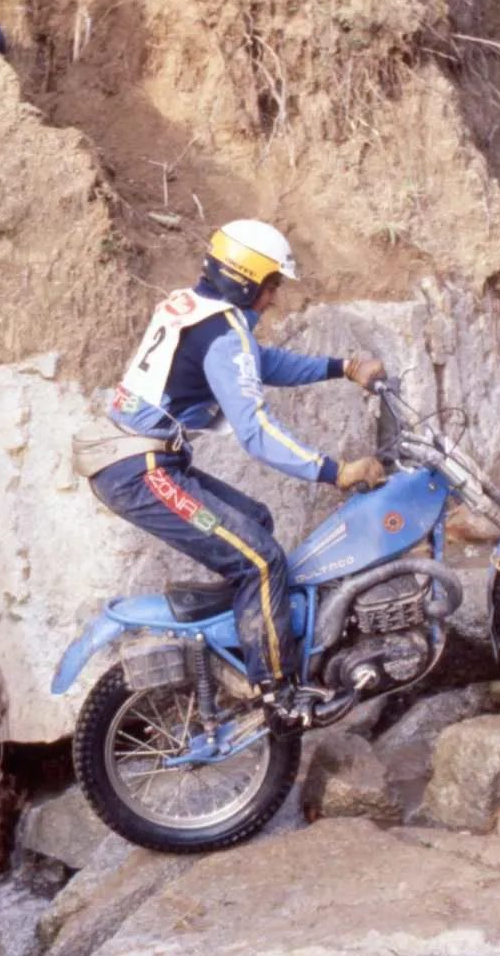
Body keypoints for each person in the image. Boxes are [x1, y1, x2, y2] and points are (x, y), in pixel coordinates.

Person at [75, 219, 387, 728]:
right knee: (261, 562)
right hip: (140, 470)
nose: (273, 299)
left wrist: (343, 366)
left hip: (146, 462)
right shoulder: (222, 333)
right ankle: (278, 694)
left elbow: (259, 363)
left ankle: (246, 654)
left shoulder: (194, 307)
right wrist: (333, 471)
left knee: (255, 522)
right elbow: (256, 432)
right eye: (270, 285)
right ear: (245, 281)